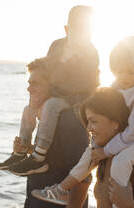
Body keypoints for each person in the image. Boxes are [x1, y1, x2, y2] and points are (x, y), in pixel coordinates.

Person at [32, 36, 134, 207]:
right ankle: (61, 190)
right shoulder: (121, 83)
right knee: (89, 154)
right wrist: (101, 150)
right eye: (118, 71)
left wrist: (128, 204)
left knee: (120, 161)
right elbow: (105, 102)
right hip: (126, 135)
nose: (124, 77)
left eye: (130, 72)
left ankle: (119, 200)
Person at [0, 5, 100, 176]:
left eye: (86, 32)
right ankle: (20, 151)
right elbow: (46, 69)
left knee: (51, 106)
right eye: (78, 30)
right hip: (57, 92)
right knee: (29, 109)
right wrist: (39, 96)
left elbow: (86, 83)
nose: (82, 36)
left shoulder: (90, 52)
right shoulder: (57, 46)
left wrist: (53, 94)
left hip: (79, 97)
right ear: (67, 29)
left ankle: (38, 157)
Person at [35, 87, 134, 207]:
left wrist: (129, 205)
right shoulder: (102, 160)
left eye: (94, 121)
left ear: (115, 123)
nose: (88, 128)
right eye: (87, 122)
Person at [16, 59, 92, 208]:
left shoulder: (69, 121)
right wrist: (26, 150)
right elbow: (54, 163)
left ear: (53, 86)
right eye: (29, 83)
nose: (29, 89)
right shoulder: (47, 121)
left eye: (35, 83)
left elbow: (83, 176)